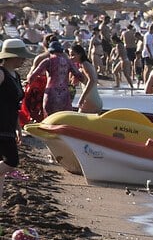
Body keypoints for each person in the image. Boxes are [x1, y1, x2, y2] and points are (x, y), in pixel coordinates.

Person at [0, 39, 37, 200]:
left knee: (2, 170)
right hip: (1, 125)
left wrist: (18, 127)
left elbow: (15, 105)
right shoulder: (1, 73)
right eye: (21, 56)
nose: (23, 60)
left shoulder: (15, 75)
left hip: (9, 125)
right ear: (12, 57)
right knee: (11, 161)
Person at [26, 40, 89, 117]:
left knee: (50, 118)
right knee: (65, 117)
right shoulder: (68, 62)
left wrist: (29, 83)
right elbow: (80, 77)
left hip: (51, 93)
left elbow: (32, 76)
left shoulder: (48, 61)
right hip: (64, 93)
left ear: (50, 51)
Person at [68, 43, 102, 113]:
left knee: (78, 118)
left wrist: (82, 98)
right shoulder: (84, 64)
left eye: (73, 55)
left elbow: (92, 80)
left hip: (91, 102)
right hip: (92, 100)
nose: (71, 57)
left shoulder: (85, 64)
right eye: (70, 55)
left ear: (80, 54)